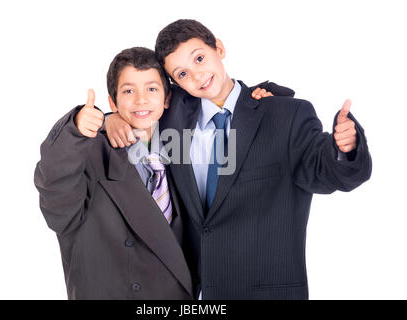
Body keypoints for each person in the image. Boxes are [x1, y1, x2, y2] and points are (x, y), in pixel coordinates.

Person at [105, 19, 372, 299]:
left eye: (199, 58)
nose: (197, 76)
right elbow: (139, 108)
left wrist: (344, 148)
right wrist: (110, 120)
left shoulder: (284, 116)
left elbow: (326, 172)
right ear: (174, 84)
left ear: (218, 48)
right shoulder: (173, 120)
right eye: (182, 73)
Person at [34, 47, 194, 299]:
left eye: (151, 89)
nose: (141, 100)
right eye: (128, 91)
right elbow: (56, 195)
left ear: (166, 98)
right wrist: (75, 130)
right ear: (112, 101)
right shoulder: (89, 155)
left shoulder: (186, 150)